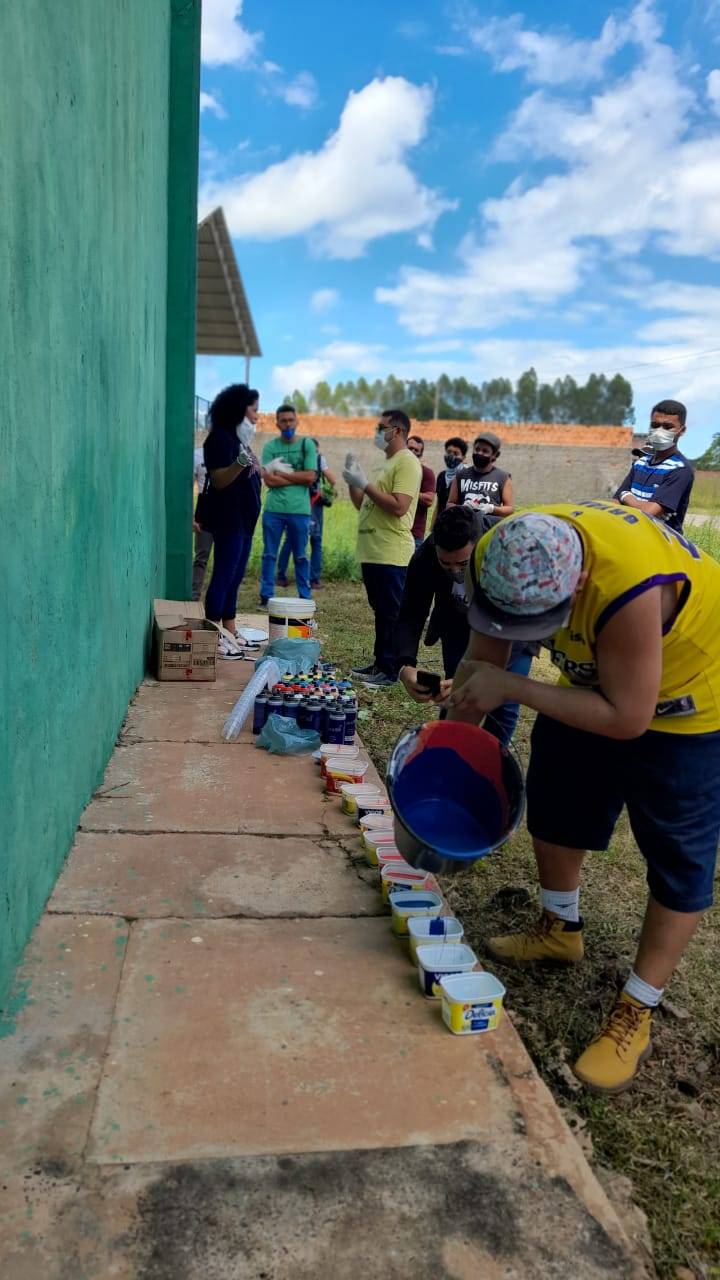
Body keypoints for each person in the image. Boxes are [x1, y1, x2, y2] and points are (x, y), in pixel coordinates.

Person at [448, 503, 720, 1094]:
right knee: (557, 797)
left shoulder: (628, 587)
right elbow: (482, 661)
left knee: (677, 852)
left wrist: (512, 686)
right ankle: (559, 929)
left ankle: (638, 1006)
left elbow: (627, 717)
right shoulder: (501, 554)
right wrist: (448, 742)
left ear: (577, 587)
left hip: (692, 693)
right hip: (600, 674)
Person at [395, 504, 534, 745]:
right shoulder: (426, 554)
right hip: (458, 626)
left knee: (503, 702)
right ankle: (449, 752)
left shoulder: (507, 548)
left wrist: (484, 673)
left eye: (463, 564)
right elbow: (411, 613)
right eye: (446, 564)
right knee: (456, 695)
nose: (455, 572)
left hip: (513, 629)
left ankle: (492, 757)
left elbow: (523, 620)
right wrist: (405, 666)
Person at [343, 409, 421, 689]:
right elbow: (362, 505)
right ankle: (380, 662)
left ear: (397, 430)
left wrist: (365, 484)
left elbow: (399, 506)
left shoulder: (407, 462)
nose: (377, 432)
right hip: (372, 551)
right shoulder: (383, 464)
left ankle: (390, 671)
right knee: (381, 611)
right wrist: (355, 482)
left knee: (392, 613)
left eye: (382, 427)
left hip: (392, 552)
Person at [201, 384, 261, 658]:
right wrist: (239, 463)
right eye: (253, 410)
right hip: (229, 519)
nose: (256, 417)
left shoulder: (238, 441)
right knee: (224, 575)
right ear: (238, 409)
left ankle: (230, 629)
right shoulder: (219, 440)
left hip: (245, 521)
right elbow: (219, 480)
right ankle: (213, 635)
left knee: (235, 577)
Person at [260, 406, 318, 606]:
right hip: (273, 510)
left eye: (290, 420)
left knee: (301, 556)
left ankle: (305, 597)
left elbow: (310, 477)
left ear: (297, 421)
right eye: (283, 421)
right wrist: (297, 477)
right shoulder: (270, 447)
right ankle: (266, 596)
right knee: (269, 555)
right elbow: (269, 480)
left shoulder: (307, 444)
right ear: (277, 423)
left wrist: (282, 473)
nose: (287, 424)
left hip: (299, 510)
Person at [614, 399, 694, 532]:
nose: (659, 431)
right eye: (655, 425)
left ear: (682, 430)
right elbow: (615, 502)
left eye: (668, 427)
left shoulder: (680, 469)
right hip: (632, 534)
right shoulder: (640, 463)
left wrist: (626, 496)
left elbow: (648, 512)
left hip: (661, 540)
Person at [277, 438, 337, 588]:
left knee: (290, 539)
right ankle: (313, 579)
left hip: (295, 503)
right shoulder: (319, 459)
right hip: (313, 504)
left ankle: (281, 576)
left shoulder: (296, 459)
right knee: (316, 540)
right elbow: (333, 479)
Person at [447, 431, 514, 517]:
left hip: (490, 523)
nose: (479, 453)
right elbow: (450, 503)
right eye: (477, 449)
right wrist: (462, 509)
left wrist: (492, 509)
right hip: (464, 523)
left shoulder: (503, 477)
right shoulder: (460, 475)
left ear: (495, 455)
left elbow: (509, 509)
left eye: (485, 451)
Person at [407, 434, 436, 548]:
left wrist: (405, 492)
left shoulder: (427, 473)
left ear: (420, 454)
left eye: (416, 450)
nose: (413, 452)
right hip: (392, 531)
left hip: (414, 535)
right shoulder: (394, 470)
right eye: (410, 448)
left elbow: (429, 500)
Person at [192, 445, 213, 601]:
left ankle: (218, 600)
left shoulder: (235, 452)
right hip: (205, 511)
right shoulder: (197, 455)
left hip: (227, 512)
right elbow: (187, 488)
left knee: (225, 560)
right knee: (201, 557)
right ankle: (194, 596)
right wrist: (192, 518)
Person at [434, 436, 468, 521]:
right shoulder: (442, 476)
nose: (451, 456)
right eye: (449, 452)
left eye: (456, 454)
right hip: (442, 523)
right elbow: (438, 504)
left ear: (463, 457)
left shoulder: (466, 476)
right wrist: (433, 524)